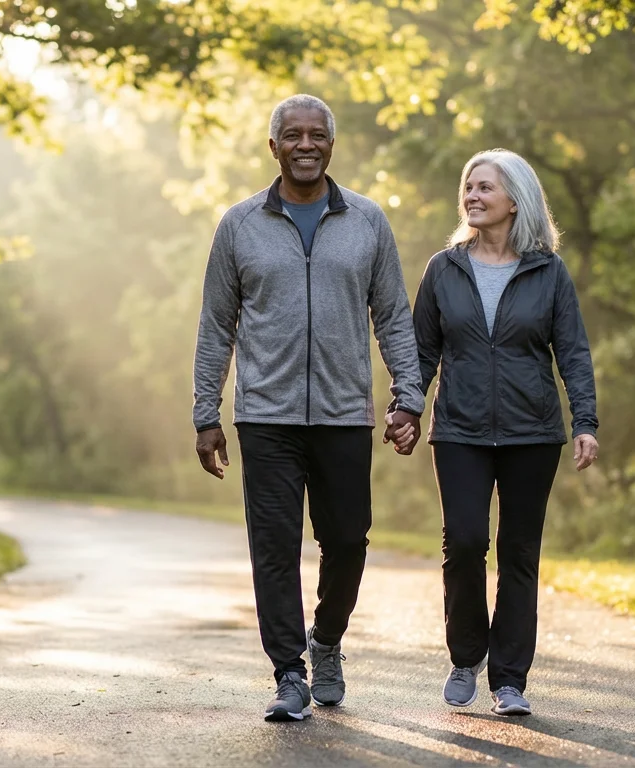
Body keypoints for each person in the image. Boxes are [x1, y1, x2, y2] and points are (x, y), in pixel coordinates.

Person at [192, 94, 424, 722]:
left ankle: (326, 643)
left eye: (315, 134)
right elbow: (217, 326)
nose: (304, 144)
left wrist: (410, 396)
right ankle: (289, 673)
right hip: (265, 416)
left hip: (346, 413)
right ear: (273, 147)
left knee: (347, 540)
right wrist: (205, 413)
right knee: (273, 545)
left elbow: (394, 318)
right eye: (291, 135)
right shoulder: (239, 225)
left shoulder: (369, 222)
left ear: (330, 144)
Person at [412, 149, 599, 716]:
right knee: (465, 542)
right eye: (468, 186)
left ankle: (510, 679)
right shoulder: (444, 268)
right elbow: (421, 353)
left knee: (519, 551)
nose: (471, 195)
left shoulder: (548, 270)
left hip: (532, 432)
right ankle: (466, 655)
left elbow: (573, 351)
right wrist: (406, 408)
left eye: (484, 187)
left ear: (515, 199)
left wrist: (585, 421)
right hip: (461, 429)